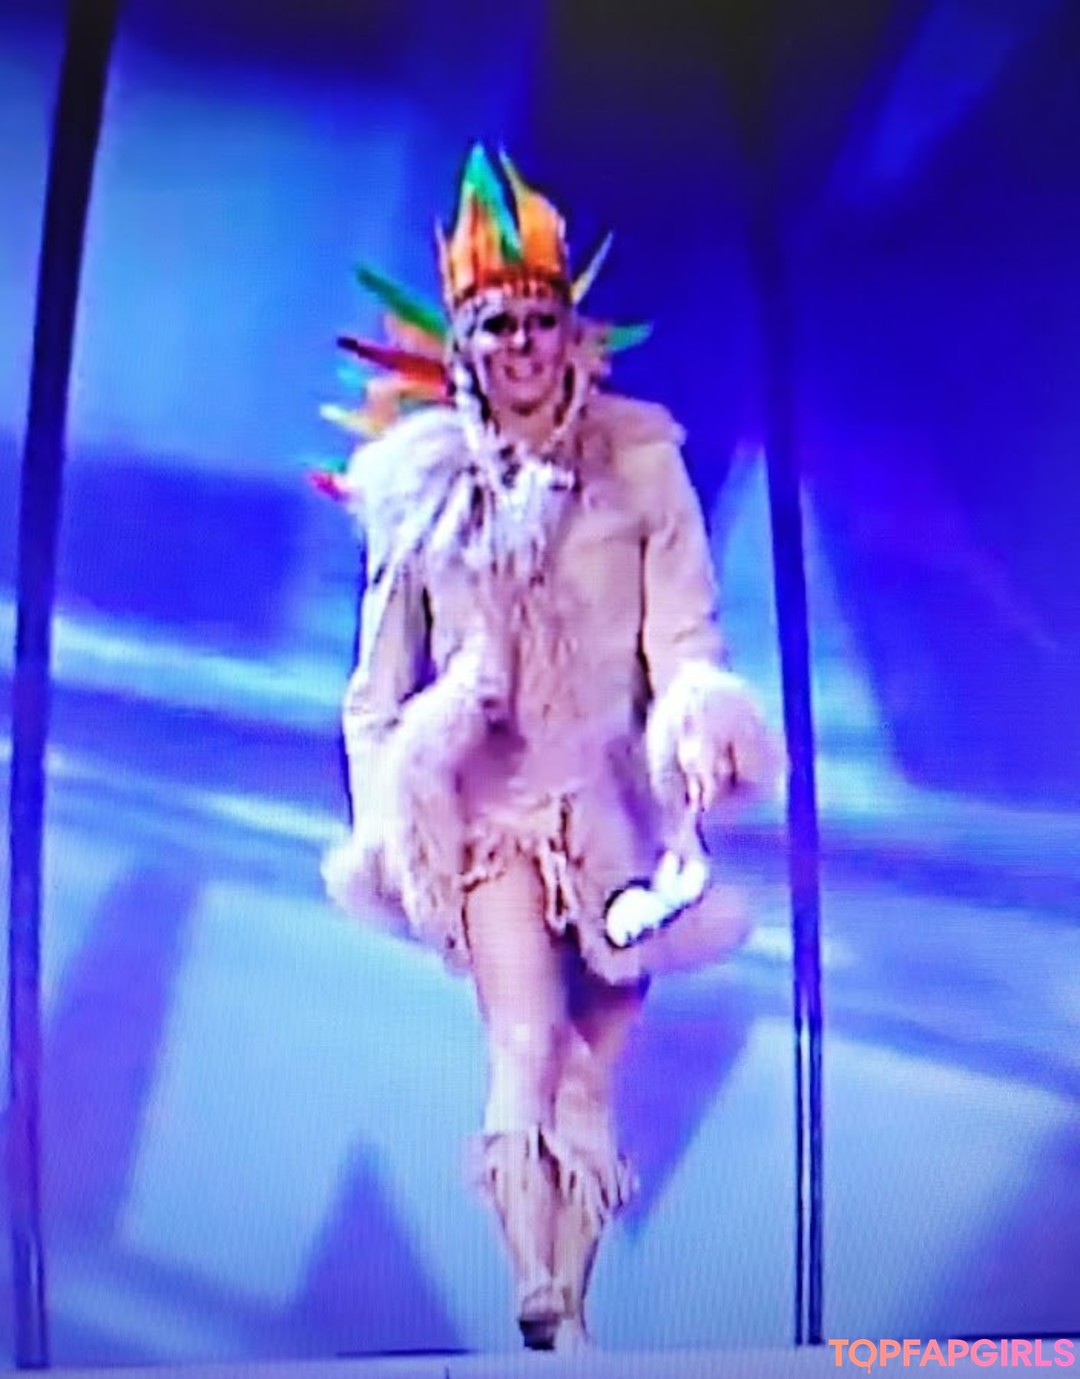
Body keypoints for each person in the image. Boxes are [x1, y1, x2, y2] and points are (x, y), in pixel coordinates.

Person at [316, 145, 780, 1353]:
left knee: (590, 1072)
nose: (521, 345)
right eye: (496, 326)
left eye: (538, 320)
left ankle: (566, 1307)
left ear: (573, 332)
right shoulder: (421, 491)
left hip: (616, 819)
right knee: (525, 1043)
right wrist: (395, 815)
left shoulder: (642, 462)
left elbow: (687, 634)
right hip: (491, 819)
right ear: (464, 348)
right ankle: (542, 1300)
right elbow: (375, 689)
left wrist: (700, 717)